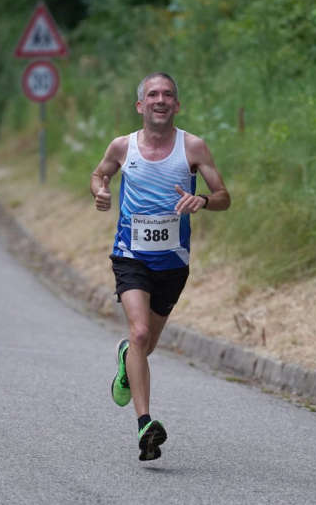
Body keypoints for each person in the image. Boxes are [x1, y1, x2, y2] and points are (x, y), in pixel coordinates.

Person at [90, 72, 230, 461]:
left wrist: (202, 201)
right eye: (152, 94)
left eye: (168, 94)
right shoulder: (122, 146)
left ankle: (125, 361)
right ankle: (145, 425)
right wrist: (100, 191)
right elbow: (100, 173)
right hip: (130, 255)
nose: (160, 100)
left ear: (177, 105)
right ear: (140, 105)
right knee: (137, 333)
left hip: (173, 262)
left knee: (145, 345)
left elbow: (224, 196)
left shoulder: (194, 147)